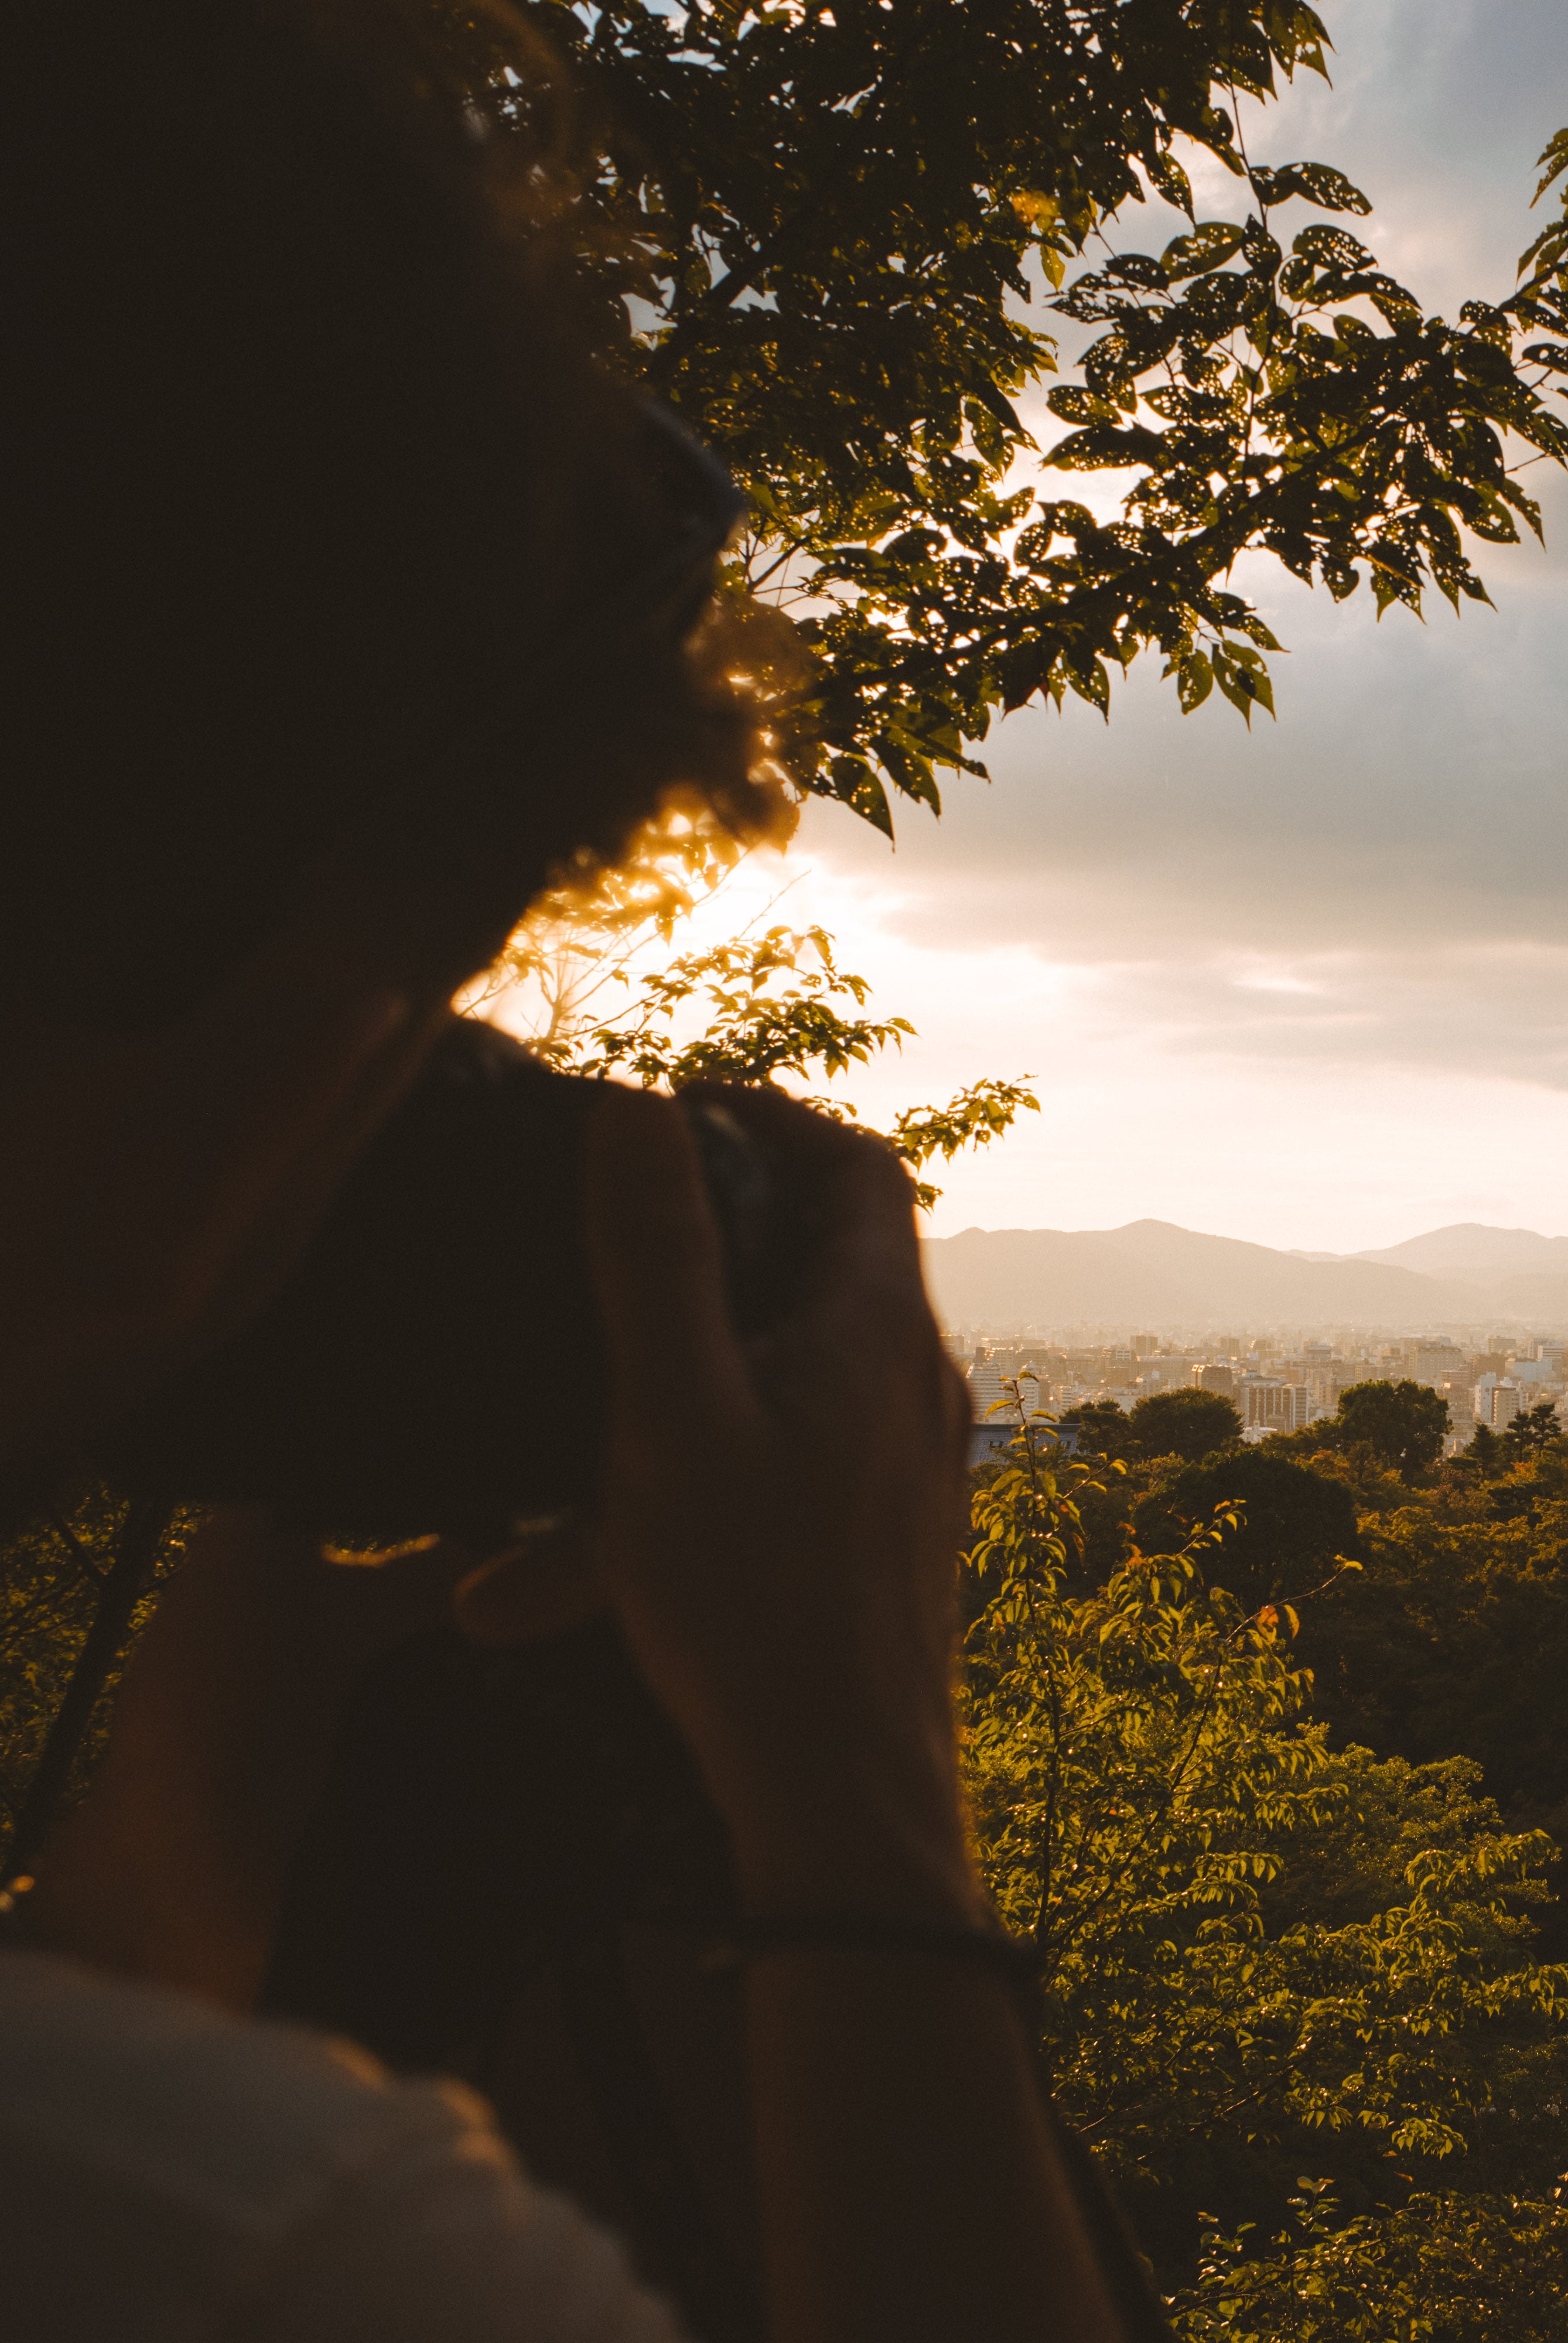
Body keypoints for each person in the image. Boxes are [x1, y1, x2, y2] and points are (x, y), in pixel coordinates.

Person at [0, 6, 1123, 2337]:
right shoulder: (287, 2245)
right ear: (270, 1041)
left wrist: (227, 1732)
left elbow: (94, 2030)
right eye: (413, 1014)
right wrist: (856, 1814)